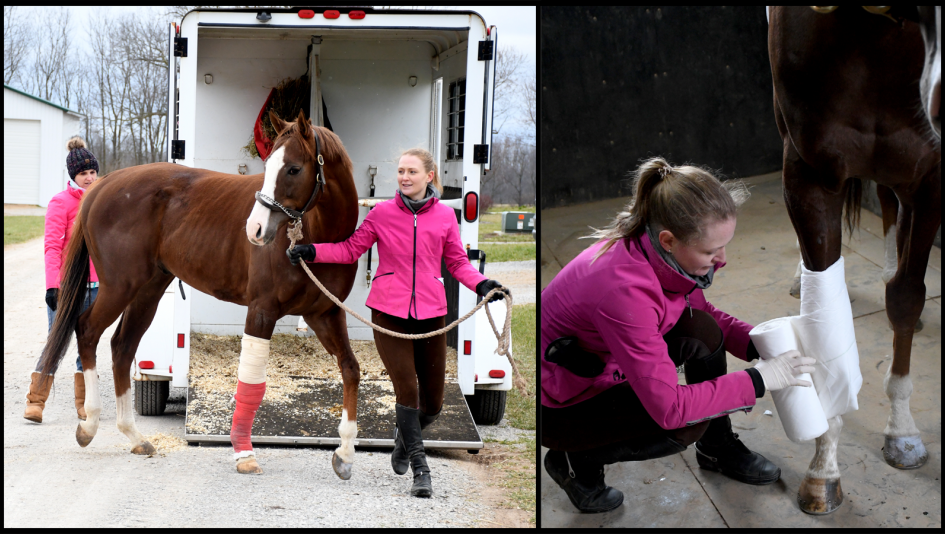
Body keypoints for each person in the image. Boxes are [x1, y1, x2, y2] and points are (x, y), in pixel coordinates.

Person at [540, 157, 816, 513]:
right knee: (682, 426)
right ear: (669, 240)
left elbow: (703, 314)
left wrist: (758, 344)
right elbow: (670, 409)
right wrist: (759, 380)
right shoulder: (623, 291)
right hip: (565, 403)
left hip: (605, 367)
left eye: (724, 245)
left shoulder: (656, 248)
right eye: (711, 250)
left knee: (703, 330)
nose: (723, 259)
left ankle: (717, 448)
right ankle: (575, 462)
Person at [287, 148, 509, 498]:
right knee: (408, 390)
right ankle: (422, 471)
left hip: (431, 314)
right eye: (401, 171)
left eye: (412, 172)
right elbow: (350, 250)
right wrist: (312, 251)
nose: (404, 177)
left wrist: (483, 284)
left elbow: (458, 263)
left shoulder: (445, 219)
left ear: (429, 177)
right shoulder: (382, 213)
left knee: (433, 404)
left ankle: (404, 440)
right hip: (388, 314)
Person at [24, 137, 101, 423]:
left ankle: (84, 404)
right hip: (68, 287)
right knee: (56, 341)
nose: (90, 178)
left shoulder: (102, 201)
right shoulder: (61, 202)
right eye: (84, 174)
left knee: (87, 344)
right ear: (73, 176)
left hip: (95, 287)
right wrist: (51, 286)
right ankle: (36, 402)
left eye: (93, 172)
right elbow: (52, 247)